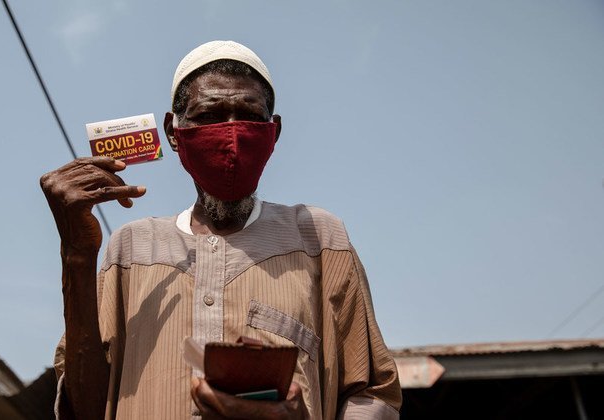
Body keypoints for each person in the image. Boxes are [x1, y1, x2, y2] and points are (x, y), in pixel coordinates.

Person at [41, 40, 402, 420]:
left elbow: (372, 395)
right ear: (174, 131)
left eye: (247, 115)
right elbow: (85, 408)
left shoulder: (319, 240)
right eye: (210, 116)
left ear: (273, 132)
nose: (231, 135)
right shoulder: (131, 249)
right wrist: (77, 255)